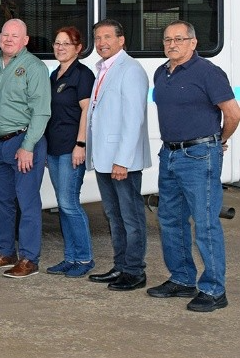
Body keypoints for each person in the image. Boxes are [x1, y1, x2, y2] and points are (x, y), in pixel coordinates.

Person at [149, 20, 240, 312]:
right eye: (167, 39)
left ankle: (214, 290)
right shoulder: (161, 72)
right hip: (169, 155)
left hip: (200, 156)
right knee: (170, 219)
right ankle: (182, 279)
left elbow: (233, 113)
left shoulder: (208, 72)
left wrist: (218, 141)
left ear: (193, 42)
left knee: (205, 223)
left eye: (178, 39)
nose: (172, 44)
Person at [84, 19, 151, 292]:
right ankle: (120, 266)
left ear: (121, 40)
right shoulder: (103, 68)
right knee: (114, 216)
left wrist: (122, 160)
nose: (102, 43)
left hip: (122, 161)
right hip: (104, 158)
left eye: (107, 37)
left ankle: (134, 271)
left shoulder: (130, 69)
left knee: (131, 218)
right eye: (98, 38)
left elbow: (134, 119)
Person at [0, 19, 51, 278]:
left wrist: (28, 146)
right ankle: (5, 252)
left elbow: (41, 111)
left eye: (15, 35)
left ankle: (29, 259)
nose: (8, 39)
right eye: (5, 35)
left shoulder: (34, 67)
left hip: (22, 142)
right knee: (2, 202)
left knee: (27, 202)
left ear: (25, 40)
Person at [43, 26, 97, 279]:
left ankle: (84, 258)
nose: (60, 47)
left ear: (78, 48)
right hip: (54, 149)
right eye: (57, 43)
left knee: (69, 204)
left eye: (66, 43)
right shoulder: (55, 75)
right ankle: (70, 257)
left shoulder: (82, 75)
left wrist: (81, 145)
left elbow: (87, 111)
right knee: (62, 205)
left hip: (70, 149)